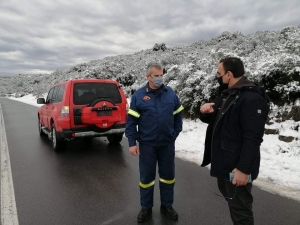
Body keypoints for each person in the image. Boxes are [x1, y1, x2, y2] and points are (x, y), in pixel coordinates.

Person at [199, 57, 269, 225]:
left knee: (241, 212)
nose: (217, 77)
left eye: (219, 73)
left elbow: (253, 138)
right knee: (233, 204)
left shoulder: (251, 98)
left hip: (236, 167)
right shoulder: (227, 95)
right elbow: (217, 121)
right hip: (224, 163)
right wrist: (204, 112)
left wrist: (243, 170)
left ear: (228, 74)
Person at [125, 62, 184, 223]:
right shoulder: (139, 96)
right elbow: (131, 123)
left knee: (168, 177)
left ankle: (167, 205)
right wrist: (132, 142)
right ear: (148, 76)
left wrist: (174, 133)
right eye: (156, 76)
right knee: (146, 178)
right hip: (147, 145)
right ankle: (146, 208)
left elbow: (178, 114)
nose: (159, 78)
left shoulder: (170, 93)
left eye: (161, 75)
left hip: (166, 144)